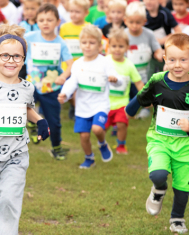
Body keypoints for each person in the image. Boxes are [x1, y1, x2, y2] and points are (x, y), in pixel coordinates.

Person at [0, 24, 50, 235]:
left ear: (23, 60)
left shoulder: (27, 87)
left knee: (9, 200)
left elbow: (26, 108)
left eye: (16, 57)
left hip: (17, 153)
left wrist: (40, 120)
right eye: (5, 55)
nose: (11, 61)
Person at [125, 33, 189, 234]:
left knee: (183, 186)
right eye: (172, 59)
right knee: (158, 174)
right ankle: (159, 189)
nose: (177, 65)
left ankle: (177, 218)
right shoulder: (157, 81)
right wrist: (131, 109)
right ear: (164, 60)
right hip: (159, 139)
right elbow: (138, 100)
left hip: (185, 146)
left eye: (183, 60)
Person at [58, 24, 121, 168]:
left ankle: (102, 143)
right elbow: (72, 82)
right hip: (82, 107)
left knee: (97, 129)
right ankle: (89, 158)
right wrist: (65, 94)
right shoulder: (77, 64)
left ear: (99, 45)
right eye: (84, 42)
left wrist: (115, 79)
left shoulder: (105, 62)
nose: (88, 46)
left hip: (100, 105)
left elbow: (118, 79)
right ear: (80, 44)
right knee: (84, 136)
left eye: (92, 43)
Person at [25, 3, 73, 159]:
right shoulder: (29, 38)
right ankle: (32, 126)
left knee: (54, 121)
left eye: (49, 20)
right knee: (23, 108)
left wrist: (63, 76)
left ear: (58, 22)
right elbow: (14, 45)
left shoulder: (61, 43)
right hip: (31, 85)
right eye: (41, 20)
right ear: (36, 21)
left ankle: (57, 147)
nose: (45, 23)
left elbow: (71, 65)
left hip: (51, 88)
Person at [105, 28, 144, 154]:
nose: (117, 49)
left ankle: (121, 146)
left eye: (121, 46)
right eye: (114, 46)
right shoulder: (105, 61)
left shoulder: (129, 65)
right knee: (101, 128)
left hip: (122, 104)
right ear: (108, 46)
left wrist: (145, 95)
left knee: (122, 124)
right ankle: (102, 144)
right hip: (104, 103)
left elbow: (138, 82)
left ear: (127, 47)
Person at [124, 2, 163, 118]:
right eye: (131, 22)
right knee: (130, 93)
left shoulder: (149, 34)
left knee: (144, 92)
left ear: (144, 21)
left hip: (145, 73)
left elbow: (157, 48)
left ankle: (145, 109)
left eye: (138, 22)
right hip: (128, 73)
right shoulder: (123, 35)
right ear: (125, 21)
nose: (134, 25)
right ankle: (126, 110)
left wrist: (158, 54)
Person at [144, 0, 182, 85]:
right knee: (150, 81)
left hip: (164, 53)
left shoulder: (164, 13)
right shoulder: (143, 13)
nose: (148, 2)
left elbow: (178, 31)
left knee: (166, 79)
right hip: (148, 54)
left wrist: (161, 41)